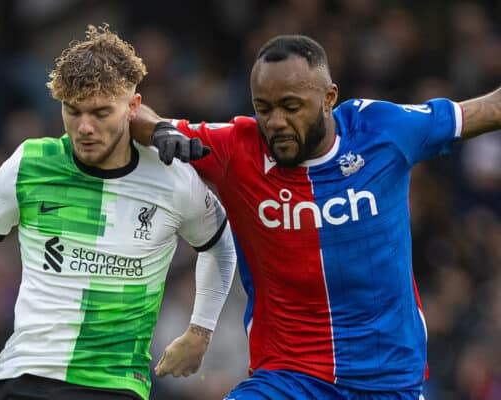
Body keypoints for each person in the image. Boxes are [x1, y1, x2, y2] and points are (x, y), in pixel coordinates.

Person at [130, 34, 501, 399]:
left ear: (328, 98)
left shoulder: (381, 128)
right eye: (264, 108)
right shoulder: (237, 148)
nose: (275, 121)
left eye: (291, 107)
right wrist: (161, 129)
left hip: (389, 381)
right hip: (289, 379)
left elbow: (489, 109)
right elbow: (135, 116)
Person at [0, 24, 236, 400]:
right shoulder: (31, 163)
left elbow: (219, 246)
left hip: (114, 384)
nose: (84, 127)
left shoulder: (172, 179)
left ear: (134, 107)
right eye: (73, 111)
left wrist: (200, 330)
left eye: (100, 113)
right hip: (24, 374)